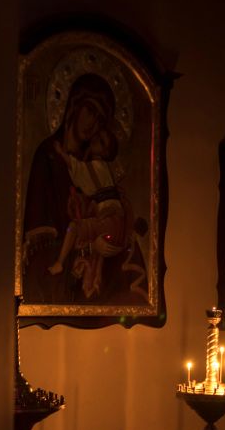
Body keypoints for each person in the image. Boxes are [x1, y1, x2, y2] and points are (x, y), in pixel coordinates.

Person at [22, 72, 146, 305]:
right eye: (90, 112)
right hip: (60, 258)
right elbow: (39, 236)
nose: (92, 124)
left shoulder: (97, 168)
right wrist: (85, 246)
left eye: (100, 120)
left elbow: (109, 210)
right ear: (73, 106)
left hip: (96, 243)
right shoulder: (48, 156)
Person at [47, 128, 129, 299]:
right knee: (91, 240)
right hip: (114, 224)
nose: (95, 139)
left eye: (100, 141)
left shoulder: (96, 166)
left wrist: (61, 152)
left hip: (109, 221)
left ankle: (59, 263)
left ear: (105, 152)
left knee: (73, 228)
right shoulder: (106, 171)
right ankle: (94, 278)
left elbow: (76, 168)